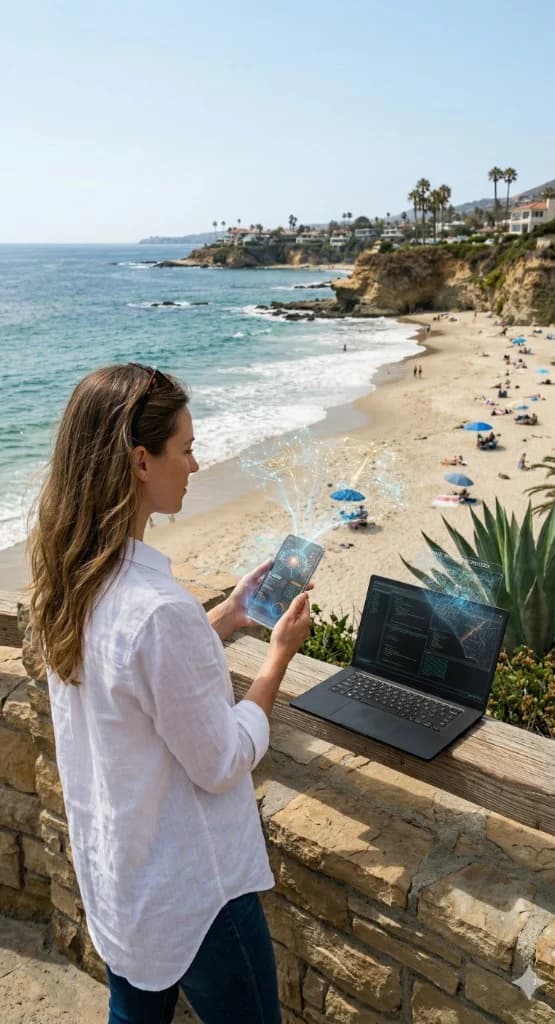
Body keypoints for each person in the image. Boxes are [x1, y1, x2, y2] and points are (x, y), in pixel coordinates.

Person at [29, 363, 312, 1024]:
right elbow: (218, 762)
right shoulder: (156, 611)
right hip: (195, 894)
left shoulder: (68, 583)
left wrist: (229, 616)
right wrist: (277, 658)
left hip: (122, 876)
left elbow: (129, 678)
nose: (195, 462)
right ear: (139, 460)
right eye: (184, 449)